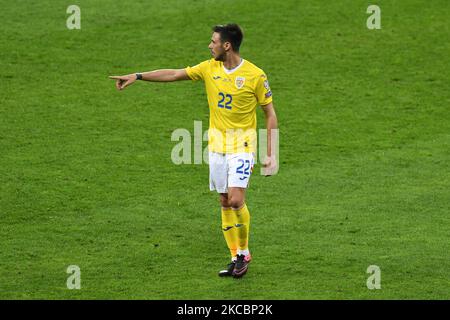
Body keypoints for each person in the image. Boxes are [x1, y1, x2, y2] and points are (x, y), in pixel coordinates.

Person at [110, 23, 278, 278]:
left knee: (235, 199)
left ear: (227, 45)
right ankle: (235, 257)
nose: (209, 46)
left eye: (213, 41)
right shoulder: (209, 68)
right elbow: (174, 74)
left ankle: (244, 252)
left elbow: (270, 114)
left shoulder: (255, 75)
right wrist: (138, 76)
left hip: (242, 145)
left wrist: (270, 153)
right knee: (223, 200)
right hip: (217, 145)